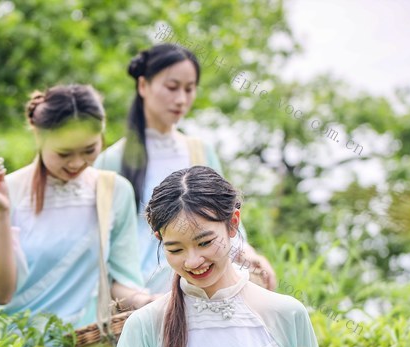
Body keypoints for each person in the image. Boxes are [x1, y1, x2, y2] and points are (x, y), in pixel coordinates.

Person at [110, 166, 363, 347]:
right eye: (175, 249)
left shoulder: (286, 313)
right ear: (160, 241)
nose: (193, 261)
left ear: (233, 224)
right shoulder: (145, 324)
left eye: (205, 242)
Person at [0, 84, 153, 329]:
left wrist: (146, 300)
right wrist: (2, 213)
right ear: (39, 137)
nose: (76, 163)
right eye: (64, 153)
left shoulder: (114, 191)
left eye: (89, 150)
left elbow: (122, 279)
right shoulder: (2, 192)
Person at [94, 43, 276, 294]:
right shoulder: (111, 161)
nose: (181, 99)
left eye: (189, 89)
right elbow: (103, 244)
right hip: (143, 289)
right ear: (143, 86)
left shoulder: (200, 151)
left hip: (202, 274)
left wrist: (250, 256)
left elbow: (225, 218)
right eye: (172, 87)